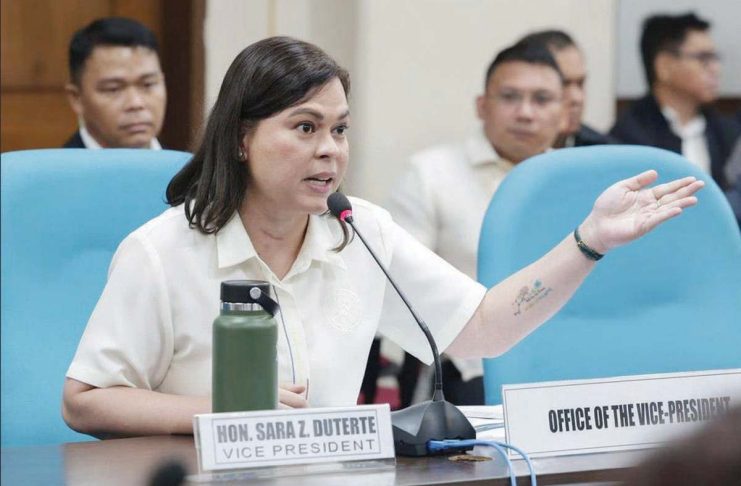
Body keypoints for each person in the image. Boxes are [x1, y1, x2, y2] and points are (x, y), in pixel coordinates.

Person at [61, 36, 703, 438]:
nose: (330, 152)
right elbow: (85, 402)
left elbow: (484, 329)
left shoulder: (360, 231)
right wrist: (220, 410)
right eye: (305, 128)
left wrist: (588, 241)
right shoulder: (162, 250)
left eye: (339, 130)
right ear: (241, 137)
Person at [386, 41, 567, 405]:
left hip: (563, 362)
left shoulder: (576, 181)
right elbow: (399, 285)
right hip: (467, 368)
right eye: (510, 97)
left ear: (565, 112)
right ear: (482, 106)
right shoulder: (430, 174)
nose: (526, 113)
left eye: (542, 99)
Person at [610, 12, 740, 190]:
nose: (716, 69)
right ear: (664, 66)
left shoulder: (727, 131)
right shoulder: (630, 137)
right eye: (703, 58)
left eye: (714, 58)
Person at [63, 17, 167, 149]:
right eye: (113, 89)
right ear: (76, 98)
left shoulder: (187, 165)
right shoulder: (58, 169)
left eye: (148, 84)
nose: (136, 103)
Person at [518, 29, 616, 147]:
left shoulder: (604, 153)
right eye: (563, 84)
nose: (577, 98)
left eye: (580, 84)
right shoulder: (501, 148)